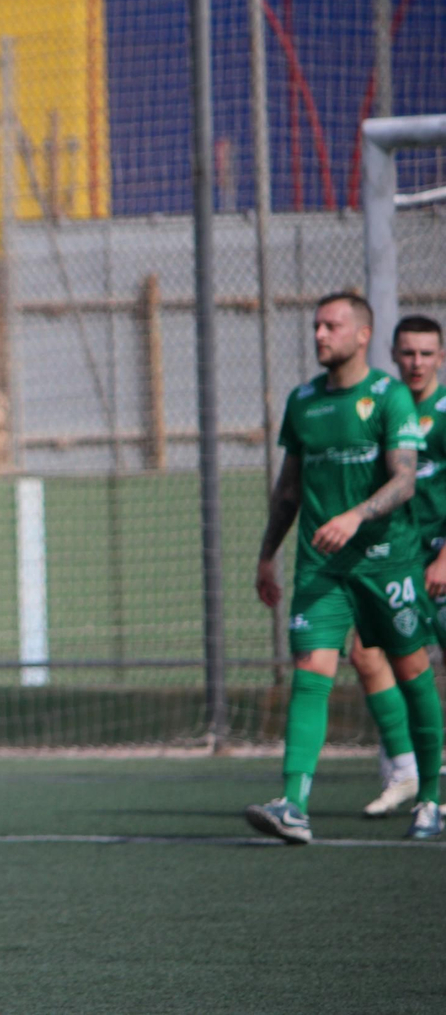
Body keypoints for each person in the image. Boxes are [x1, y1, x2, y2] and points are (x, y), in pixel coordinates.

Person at [250, 293, 443, 843]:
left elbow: (405, 480)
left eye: (331, 325)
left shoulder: (390, 398)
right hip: (322, 568)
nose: (319, 334)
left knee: (412, 674)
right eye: (315, 325)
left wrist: (357, 517)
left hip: (388, 564)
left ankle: (430, 795)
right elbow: (288, 489)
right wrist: (267, 554)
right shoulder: (304, 401)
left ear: (362, 335)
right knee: (311, 674)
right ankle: (293, 803)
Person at [349, 314, 446, 817]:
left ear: (441, 357)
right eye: (408, 352)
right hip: (399, 555)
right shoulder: (385, 405)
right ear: (393, 353)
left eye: (427, 353)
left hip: (441, 557)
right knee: (365, 653)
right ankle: (406, 772)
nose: (416, 362)